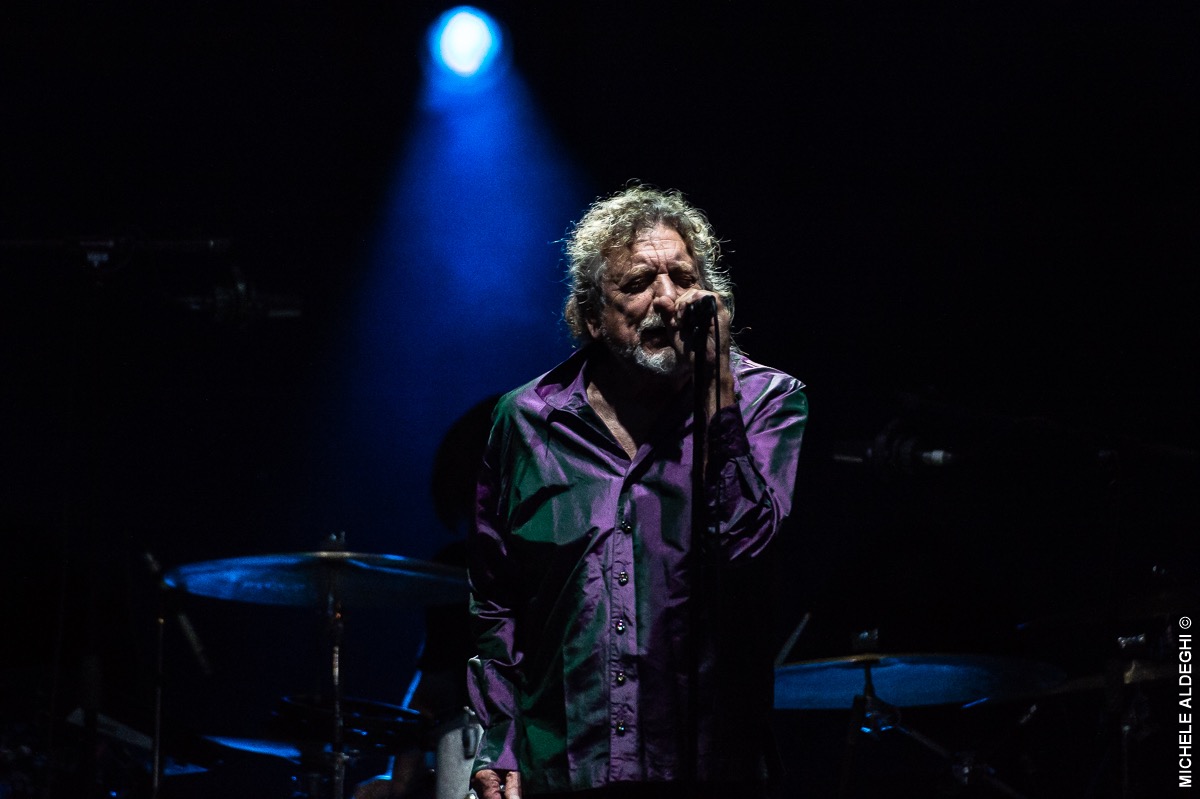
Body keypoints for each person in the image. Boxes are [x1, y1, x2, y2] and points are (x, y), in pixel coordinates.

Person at [467, 185, 808, 799]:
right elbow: (497, 599)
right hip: (566, 767)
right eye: (638, 284)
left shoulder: (766, 402)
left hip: (710, 767)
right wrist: (501, 739)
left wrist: (716, 387)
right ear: (591, 316)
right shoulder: (526, 420)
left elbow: (746, 546)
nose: (668, 301)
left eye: (683, 278)